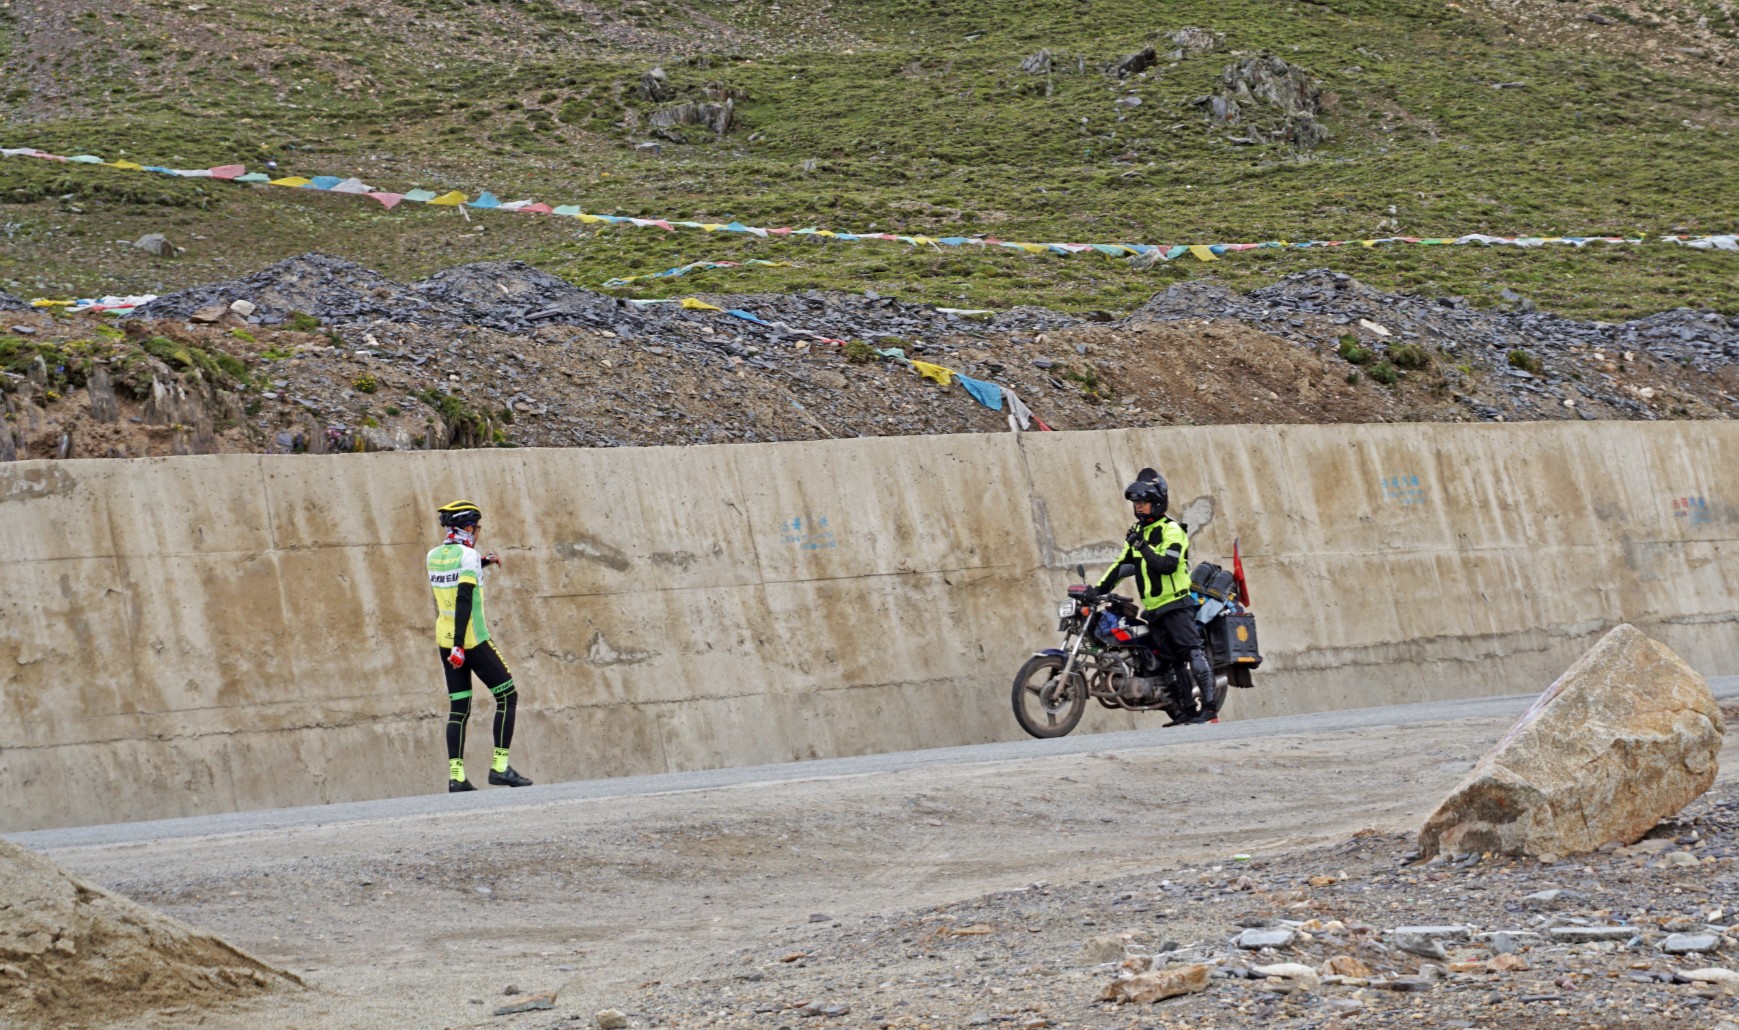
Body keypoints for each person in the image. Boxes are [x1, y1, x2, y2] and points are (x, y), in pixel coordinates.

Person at [1087, 469, 1218, 723]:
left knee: (1192, 652)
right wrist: (1096, 590)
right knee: (1170, 663)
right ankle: (1187, 711)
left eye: (1143, 503)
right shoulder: (1138, 533)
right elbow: (1120, 567)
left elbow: (1167, 565)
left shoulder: (1172, 531)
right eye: (1136, 504)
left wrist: (1142, 547)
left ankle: (1210, 708)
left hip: (1176, 604)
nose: (1138, 508)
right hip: (1154, 609)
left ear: (1157, 503)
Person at [428, 499, 533, 792]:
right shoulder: (468, 556)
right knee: (508, 696)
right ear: (469, 528)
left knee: (459, 708)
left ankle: (456, 776)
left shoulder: (433, 556)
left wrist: (484, 562)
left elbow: (449, 586)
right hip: (472, 640)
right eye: (476, 528)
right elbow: (463, 598)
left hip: (445, 641)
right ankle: (500, 767)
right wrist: (462, 645)